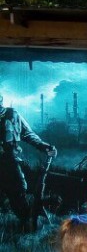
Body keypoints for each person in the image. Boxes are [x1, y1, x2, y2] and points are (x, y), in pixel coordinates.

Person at [0, 91, 56, 231]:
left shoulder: (12, 115)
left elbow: (27, 134)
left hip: (9, 163)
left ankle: (28, 228)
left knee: (18, 192)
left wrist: (44, 146)